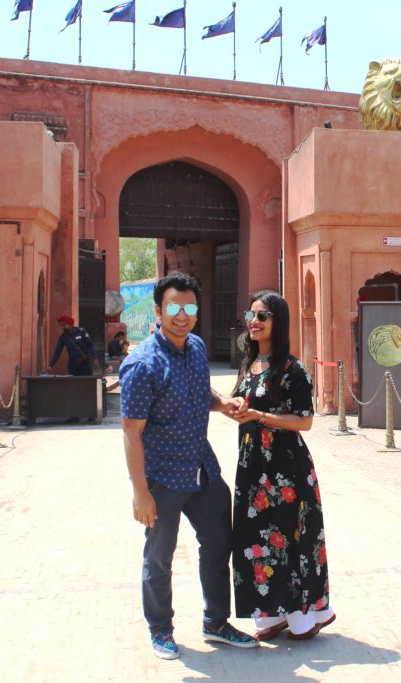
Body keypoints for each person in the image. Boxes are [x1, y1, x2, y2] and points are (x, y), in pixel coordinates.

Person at [119, 271, 258, 660]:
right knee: (159, 557)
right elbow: (132, 431)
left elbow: (202, 391)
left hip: (202, 468)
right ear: (159, 310)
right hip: (162, 477)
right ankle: (160, 629)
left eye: (190, 307)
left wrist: (223, 403)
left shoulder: (196, 347)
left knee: (218, 544)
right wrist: (140, 492)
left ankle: (216, 622)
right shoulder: (142, 363)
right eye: (174, 307)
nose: (182, 315)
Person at [226, 290, 335, 641]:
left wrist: (259, 415)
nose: (254, 322)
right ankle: (270, 614)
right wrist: (236, 410)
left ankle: (307, 615)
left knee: (290, 538)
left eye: (263, 316)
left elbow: (304, 421)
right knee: (255, 537)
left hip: (285, 469)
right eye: (251, 314)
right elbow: (244, 406)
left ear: (278, 322)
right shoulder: (248, 363)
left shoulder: (291, 368)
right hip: (252, 464)